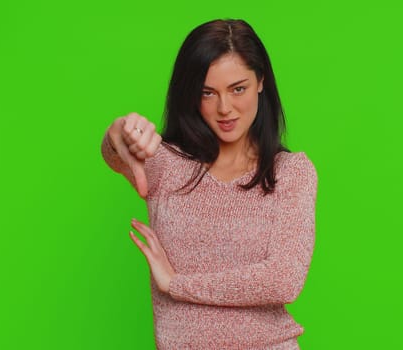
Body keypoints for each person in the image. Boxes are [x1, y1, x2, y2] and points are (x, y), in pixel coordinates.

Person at [101, 19, 317, 349]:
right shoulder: (167, 165)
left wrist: (176, 284)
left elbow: (283, 280)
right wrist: (119, 130)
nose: (224, 108)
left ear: (261, 81)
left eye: (238, 88)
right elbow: (114, 152)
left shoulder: (291, 172)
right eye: (207, 92)